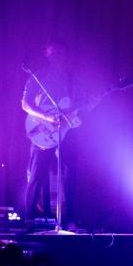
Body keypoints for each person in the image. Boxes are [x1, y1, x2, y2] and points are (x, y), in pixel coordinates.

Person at [21, 39, 81, 226]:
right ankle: (29, 219)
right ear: (46, 54)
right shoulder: (37, 77)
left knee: (73, 172)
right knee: (37, 175)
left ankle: (68, 219)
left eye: (60, 52)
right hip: (43, 131)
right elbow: (25, 104)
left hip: (65, 132)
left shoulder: (72, 80)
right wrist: (47, 118)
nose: (57, 55)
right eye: (53, 52)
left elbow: (78, 105)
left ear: (66, 55)